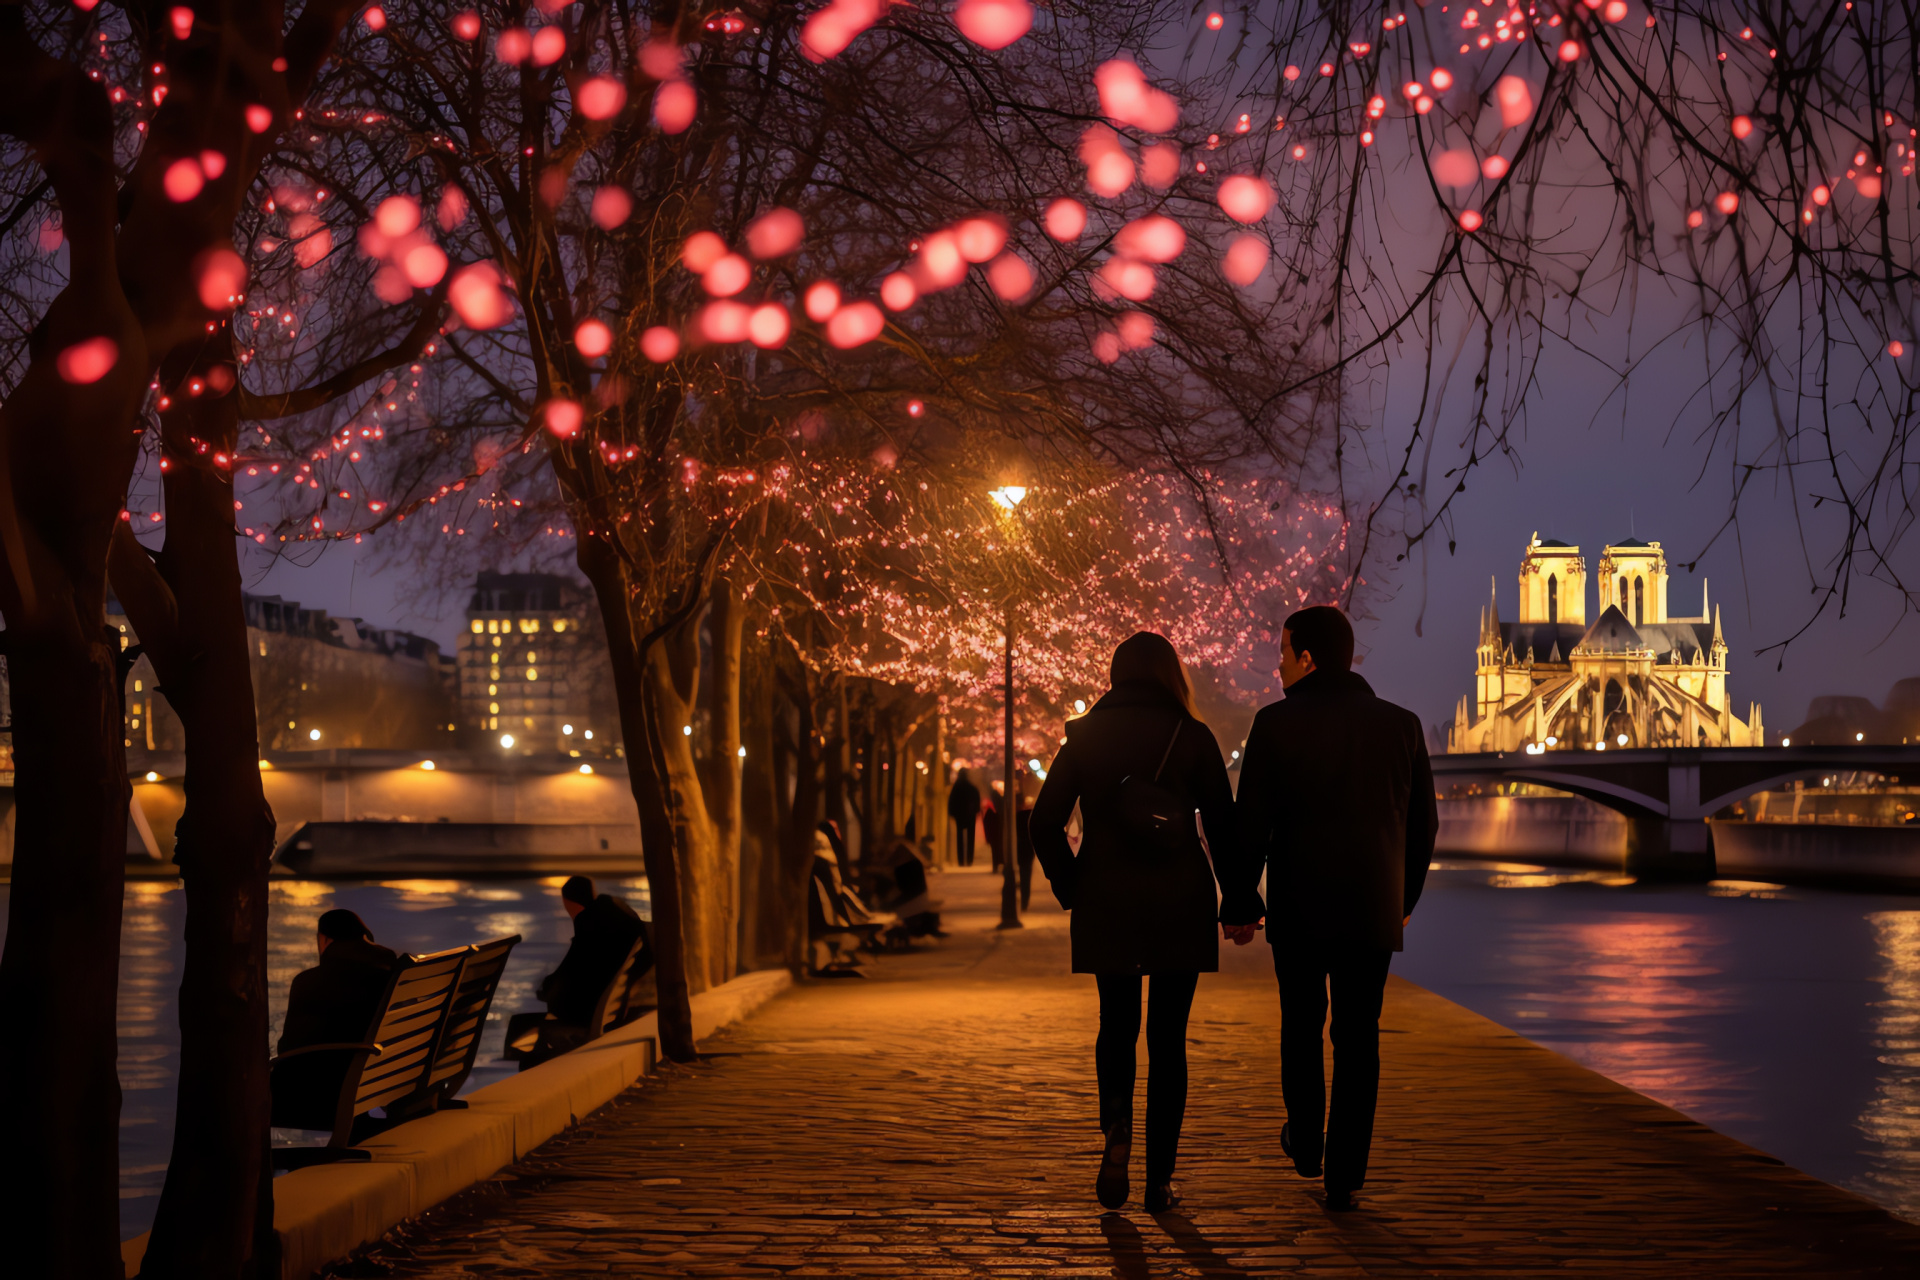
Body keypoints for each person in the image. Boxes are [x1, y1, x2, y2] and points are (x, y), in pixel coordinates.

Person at [1225, 605, 1437, 1212]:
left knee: (1301, 1023)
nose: (1278, 664)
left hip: (1298, 908)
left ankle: (1307, 1142)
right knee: (1357, 1037)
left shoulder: (1274, 725)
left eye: (1284, 652)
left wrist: (1241, 900)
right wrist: (1403, 901)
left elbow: (1251, 829)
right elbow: (1423, 825)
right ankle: (1345, 1170)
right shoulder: (1403, 725)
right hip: (1373, 912)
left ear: (1308, 659)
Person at [1030, 631, 1241, 1214]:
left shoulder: (1084, 737)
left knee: (1116, 1026)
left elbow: (1044, 822)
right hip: (1179, 900)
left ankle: (1115, 1129)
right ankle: (1159, 1182)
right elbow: (1223, 826)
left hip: (1108, 898)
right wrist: (1240, 900)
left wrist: (1072, 886)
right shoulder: (1193, 737)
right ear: (1171, 675)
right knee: (1169, 1041)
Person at [272, 909, 398, 1131]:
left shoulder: (308, 982)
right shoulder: (392, 978)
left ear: (325, 940)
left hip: (315, 1099)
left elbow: (289, 1049)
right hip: (374, 1086)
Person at [505, 876, 651, 1063]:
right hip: (607, 1008)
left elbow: (568, 975)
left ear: (571, 902)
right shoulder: (614, 926)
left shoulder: (589, 927)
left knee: (521, 1029)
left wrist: (547, 989)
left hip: (585, 1015)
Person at [947, 767, 982, 867]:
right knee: (971, 837)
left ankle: (961, 861)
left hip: (959, 815)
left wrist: (952, 813)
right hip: (970, 815)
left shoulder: (956, 788)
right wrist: (976, 811)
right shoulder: (972, 787)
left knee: (959, 838)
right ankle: (969, 860)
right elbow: (976, 800)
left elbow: (951, 801)